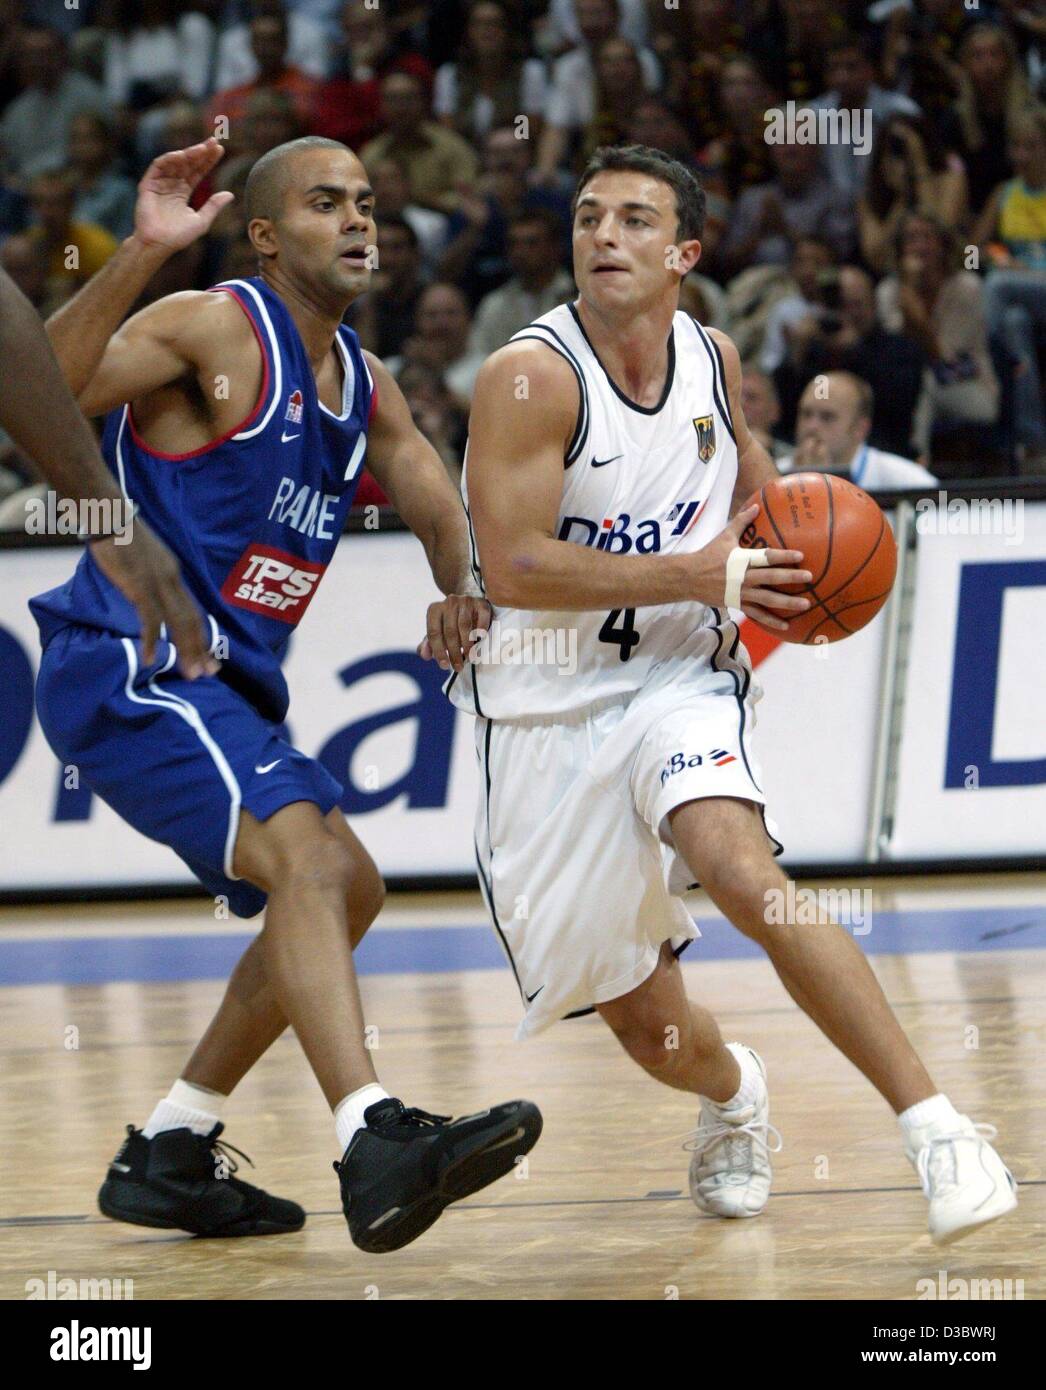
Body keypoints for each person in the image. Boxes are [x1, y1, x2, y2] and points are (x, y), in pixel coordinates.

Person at [444, 142, 1015, 1245]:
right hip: (542, 711)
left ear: (684, 253)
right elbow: (513, 564)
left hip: (676, 675)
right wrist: (693, 572)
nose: (604, 235)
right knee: (646, 1026)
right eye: (589, 216)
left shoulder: (709, 353)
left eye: (634, 221)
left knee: (746, 873)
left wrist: (799, 581)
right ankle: (732, 1091)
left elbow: (763, 496)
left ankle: (937, 1125)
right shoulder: (530, 377)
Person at [28, 135, 541, 1253]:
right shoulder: (217, 324)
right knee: (308, 859)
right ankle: (372, 1134)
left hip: (219, 689)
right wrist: (140, 256)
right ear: (263, 234)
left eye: (365, 200)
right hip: (129, 658)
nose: (358, 219)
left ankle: (172, 1145)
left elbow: (426, 486)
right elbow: (39, 388)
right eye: (323, 203)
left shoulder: (362, 380)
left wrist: (456, 586)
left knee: (345, 886)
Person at [781, 372, 937, 489]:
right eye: (806, 414)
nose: (812, 426)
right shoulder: (773, 474)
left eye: (827, 417)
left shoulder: (908, 480)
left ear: (860, 429)